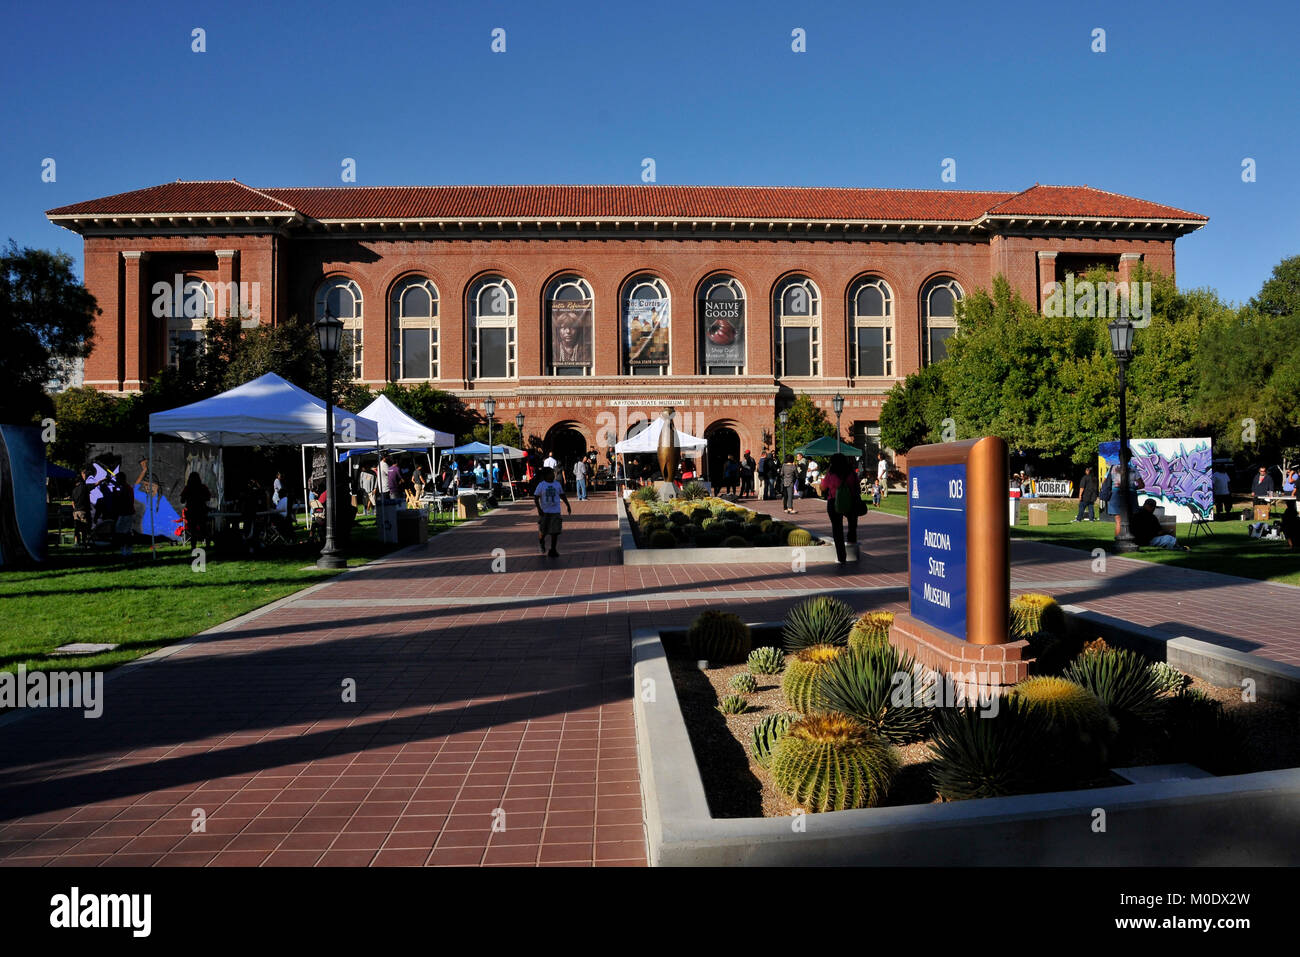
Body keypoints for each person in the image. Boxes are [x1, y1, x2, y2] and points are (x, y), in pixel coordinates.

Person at [820, 453, 862, 564]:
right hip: (851, 501)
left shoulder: (831, 473)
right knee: (852, 522)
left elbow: (823, 487)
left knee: (837, 529)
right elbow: (857, 487)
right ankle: (852, 542)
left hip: (834, 501)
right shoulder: (851, 472)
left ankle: (841, 557)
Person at [533, 466, 571, 557]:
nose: (553, 475)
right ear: (545, 475)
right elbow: (536, 498)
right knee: (543, 532)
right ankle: (541, 543)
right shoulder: (541, 485)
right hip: (545, 512)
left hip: (555, 512)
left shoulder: (557, 484)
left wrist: (568, 505)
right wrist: (539, 509)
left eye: (553, 473)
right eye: (551, 473)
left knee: (555, 532)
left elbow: (562, 495)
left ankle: (553, 549)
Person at [180, 472, 212, 548]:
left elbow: (182, 500)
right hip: (201, 510)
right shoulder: (202, 487)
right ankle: (207, 545)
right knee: (204, 529)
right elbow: (208, 498)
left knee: (193, 531)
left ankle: (193, 547)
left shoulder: (187, 488)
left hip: (191, 511)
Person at [71, 466, 93, 546]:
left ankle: (76, 543)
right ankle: (84, 542)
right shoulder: (85, 487)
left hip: (76, 511)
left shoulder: (74, 490)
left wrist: (75, 509)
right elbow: (96, 484)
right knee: (84, 527)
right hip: (83, 510)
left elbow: (72, 502)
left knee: (77, 528)